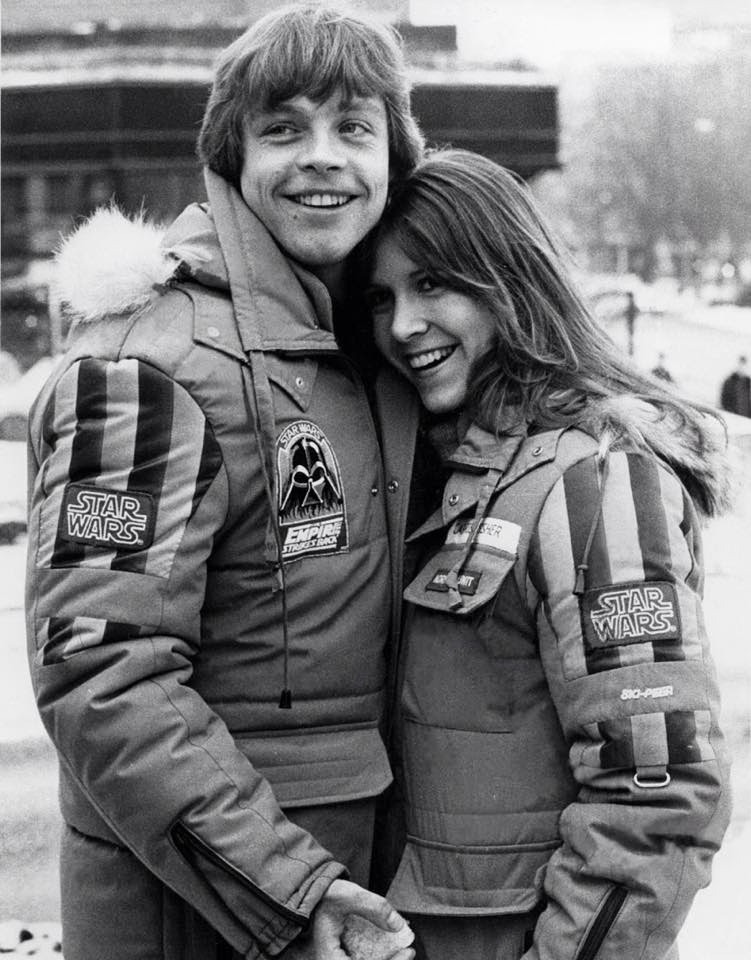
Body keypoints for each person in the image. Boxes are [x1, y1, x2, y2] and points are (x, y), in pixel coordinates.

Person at [24, 6, 424, 959]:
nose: (322, 157)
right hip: (207, 909)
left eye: (354, 129)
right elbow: (100, 669)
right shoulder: (149, 368)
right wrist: (292, 889)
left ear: (394, 158)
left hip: (332, 890)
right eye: (283, 129)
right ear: (230, 158)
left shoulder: (369, 345)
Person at [366, 150, 732, 960]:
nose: (402, 324)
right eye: (381, 297)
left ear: (508, 278)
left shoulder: (592, 477)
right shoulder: (446, 474)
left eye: (434, 284)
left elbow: (659, 793)